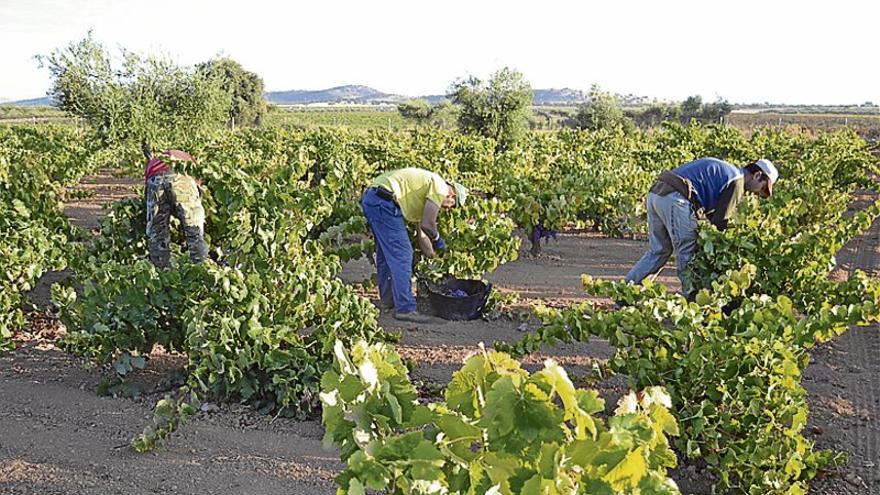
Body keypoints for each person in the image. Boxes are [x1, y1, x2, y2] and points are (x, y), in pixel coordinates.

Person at [624, 157, 778, 295]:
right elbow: (720, 222)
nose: (759, 194)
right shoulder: (737, 181)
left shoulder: (727, 171)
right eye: (763, 188)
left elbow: (712, 214)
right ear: (757, 175)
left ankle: (626, 292)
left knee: (659, 250)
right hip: (676, 199)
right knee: (688, 251)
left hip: (656, 194)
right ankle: (691, 300)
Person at [361, 168, 468, 323]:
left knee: (386, 254)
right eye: (451, 205)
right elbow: (428, 225)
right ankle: (405, 309)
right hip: (383, 202)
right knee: (403, 254)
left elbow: (422, 234)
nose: (447, 209)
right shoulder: (440, 186)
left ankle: (388, 302)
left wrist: (432, 256)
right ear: (452, 195)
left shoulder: (423, 198)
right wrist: (439, 242)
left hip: (374, 199)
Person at [143, 145, 209, 268]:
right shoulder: (190, 162)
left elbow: (147, 194)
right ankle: (201, 269)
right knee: (193, 230)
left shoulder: (154, 162)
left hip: (154, 178)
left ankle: (161, 272)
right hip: (182, 177)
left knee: (157, 232)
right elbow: (197, 189)